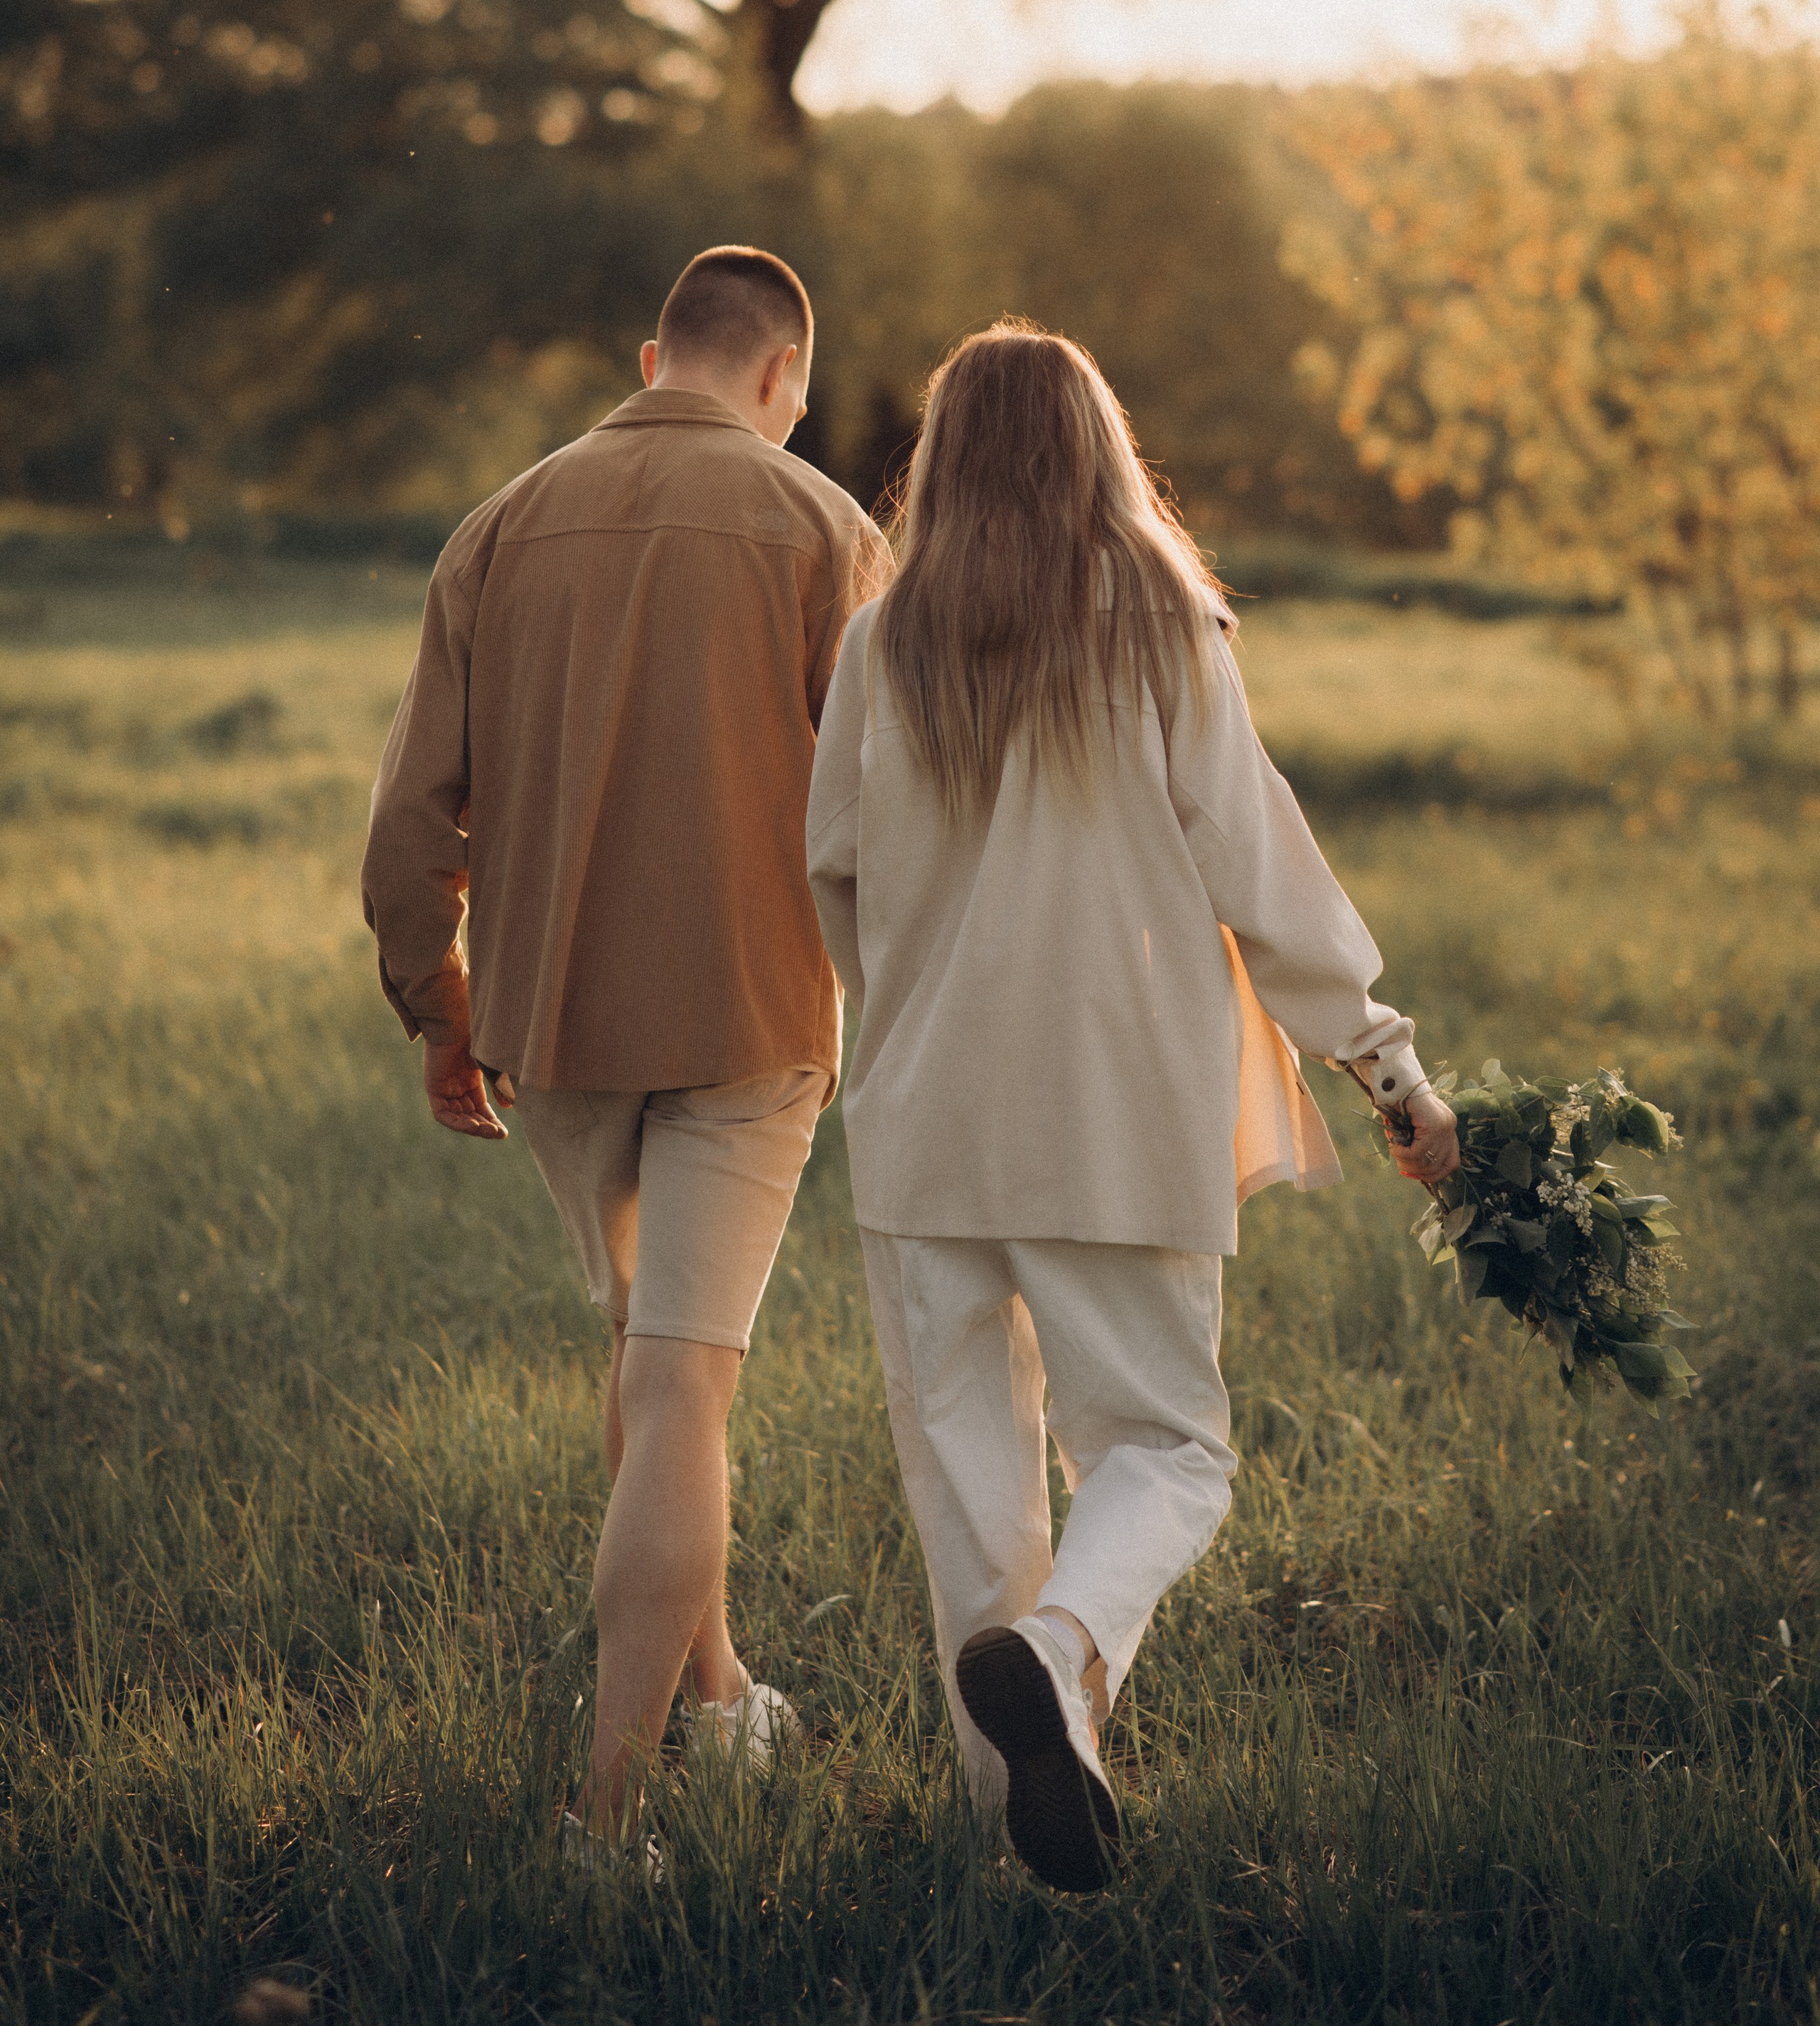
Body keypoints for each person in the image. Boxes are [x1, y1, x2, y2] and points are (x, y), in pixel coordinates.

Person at [805, 321, 1457, 1894]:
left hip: (923, 1119)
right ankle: (1062, 1647)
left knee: (967, 1483)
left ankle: (1017, 1847)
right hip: (1112, 1109)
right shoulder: (1161, 623)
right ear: (1099, 447)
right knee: (1163, 1448)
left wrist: (897, 1024)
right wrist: (1388, 1068)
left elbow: (829, 873)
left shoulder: (881, 639)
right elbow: (1261, 868)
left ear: (940, 459)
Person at [363, 246, 887, 1852]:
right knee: (678, 1381)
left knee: (650, 1365)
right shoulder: (824, 528)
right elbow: (889, 812)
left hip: (554, 1025)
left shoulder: (502, 525)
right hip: (748, 1017)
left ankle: (719, 1699)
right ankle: (607, 1818)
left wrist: (439, 1012)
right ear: (782, 381)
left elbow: (407, 828)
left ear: (652, 354)